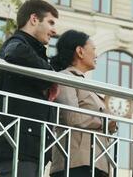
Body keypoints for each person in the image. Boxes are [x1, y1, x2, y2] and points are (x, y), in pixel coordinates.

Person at [0, 0, 59, 177]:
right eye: (50, 22)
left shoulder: (33, 50)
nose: (54, 30)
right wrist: (51, 77)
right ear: (34, 19)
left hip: (28, 147)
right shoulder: (17, 44)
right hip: (18, 146)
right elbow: (15, 52)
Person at [49, 30, 115, 177]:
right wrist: (104, 122)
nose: (96, 55)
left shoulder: (86, 84)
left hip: (96, 163)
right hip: (75, 165)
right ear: (80, 51)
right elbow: (71, 116)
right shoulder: (65, 78)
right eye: (93, 49)